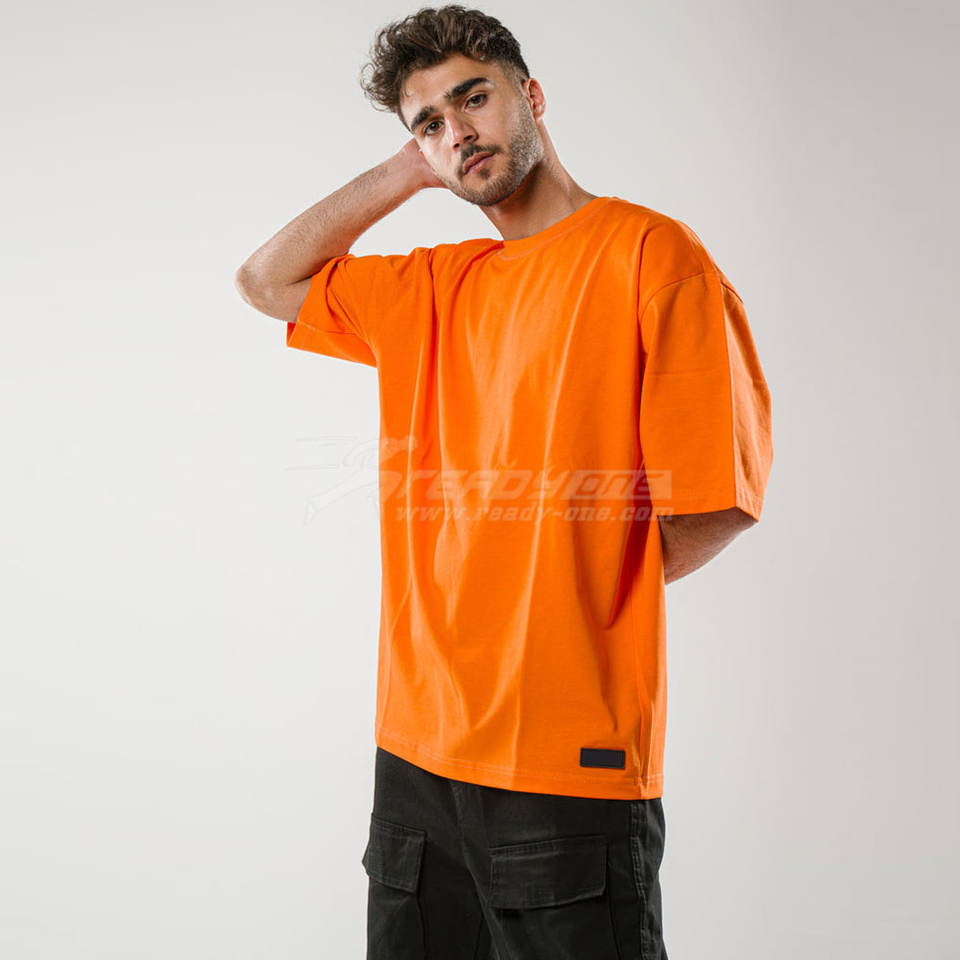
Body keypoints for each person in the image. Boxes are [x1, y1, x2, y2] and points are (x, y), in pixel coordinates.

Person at [235, 6, 773, 958]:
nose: (458, 132)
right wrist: (409, 170)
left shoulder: (652, 256)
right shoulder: (431, 285)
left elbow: (713, 503)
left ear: (531, 95)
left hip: (566, 758)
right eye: (429, 122)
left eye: (473, 98)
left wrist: (569, 594)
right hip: (416, 750)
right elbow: (266, 280)